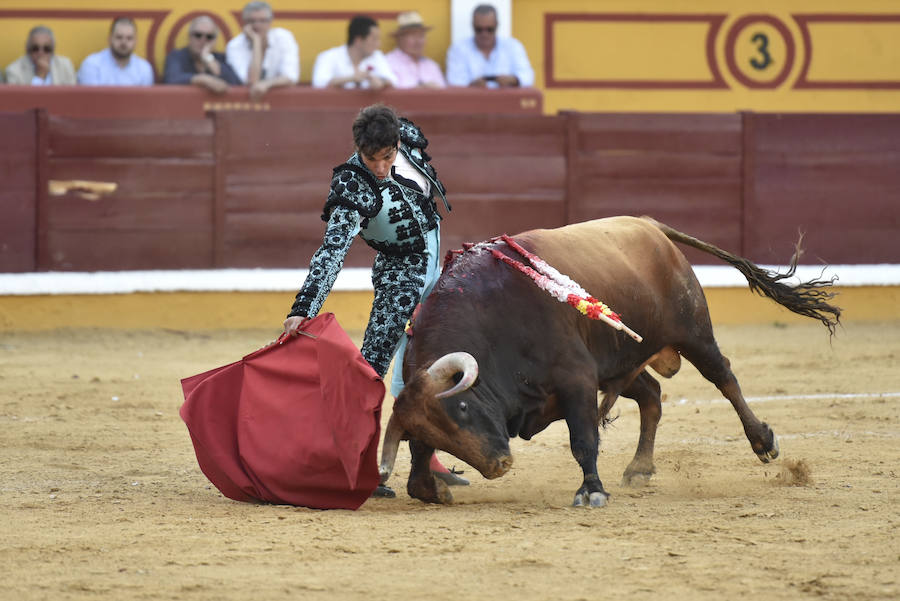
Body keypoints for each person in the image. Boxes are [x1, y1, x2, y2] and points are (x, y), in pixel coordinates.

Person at [282, 104, 465, 497]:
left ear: (397, 143)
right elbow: (332, 251)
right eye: (371, 159)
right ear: (358, 149)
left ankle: (426, 459)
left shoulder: (408, 139)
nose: (380, 168)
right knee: (372, 368)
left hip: (436, 261)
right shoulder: (352, 186)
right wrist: (304, 307)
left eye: (387, 157)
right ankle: (356, 464)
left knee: (430, 360)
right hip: (400, 273)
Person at [445, 3, 534, 88]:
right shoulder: (458, 49)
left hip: (506, 101)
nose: (484, 34)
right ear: (473, 26)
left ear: (497, 25)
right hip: (472, 101)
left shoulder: (513, 46)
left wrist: (514, 80)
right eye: (479, 29)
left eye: (490, 29)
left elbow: (528, 76)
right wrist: (472, 85)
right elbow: (454, 81)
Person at [225, 1, 299, 100]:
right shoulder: (235, 46)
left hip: (281, 101)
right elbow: (252, 81)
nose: (257, 25)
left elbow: (291, 77)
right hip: (247, 103)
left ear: (270, 22)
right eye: (251, 21)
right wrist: (256, 42)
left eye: (263, 20)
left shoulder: (284, 37)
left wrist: (266, 84)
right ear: (244, 23)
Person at [311, 15, 396, 89]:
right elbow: (319, 83)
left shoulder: (376, 56)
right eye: (374, 39)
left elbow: (393, 80)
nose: (378, 44)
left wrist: (381, 82)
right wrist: (350, 78)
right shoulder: (328, 57)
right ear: (358, 40)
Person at [163, 16, 241, 93]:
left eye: (209, 37)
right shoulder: (177, 56)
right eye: (198, 35)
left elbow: (235, 84)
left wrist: (208, 58)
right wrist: (202, 79)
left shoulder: (221, 59)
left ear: (215, 40)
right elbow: (171, 79)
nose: (203, 40)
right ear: (189, 37)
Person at [77, 17, 154, 85]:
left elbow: (145, 100)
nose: (124, 42)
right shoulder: (92, 65)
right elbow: (90, 99)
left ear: (135, 41)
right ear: (110, 38)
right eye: (119, 37)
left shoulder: (144, 68)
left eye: (129, 38)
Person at [384, 11, 446, 89]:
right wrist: (421, 89)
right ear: (399, 39)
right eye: (412, 36)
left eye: (421, 36)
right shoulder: (387, 63)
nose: (418, 41)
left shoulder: (432, 65)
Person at [5, 25, 76, 85]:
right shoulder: (14, 70)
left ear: (53, 50)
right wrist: (39, 78)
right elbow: (18, 100)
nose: (41, 53)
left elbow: (73, 97)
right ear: (28, 50)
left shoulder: (65, 65)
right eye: (35, 48)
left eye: (47, 49)